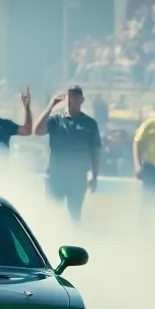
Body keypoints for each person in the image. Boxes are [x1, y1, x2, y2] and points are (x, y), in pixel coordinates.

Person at [34, 85, 102, 222]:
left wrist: (94, 176)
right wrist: (50, 106)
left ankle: (73, 234)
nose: (72, 99)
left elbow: (95, 151)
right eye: (70, 96)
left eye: (76, 96)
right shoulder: (56, 119)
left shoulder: (89, 124)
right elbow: (38, 130)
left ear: (82, 100)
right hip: (56, 175)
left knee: (75, 214)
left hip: (77, 177)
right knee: (52, 212)